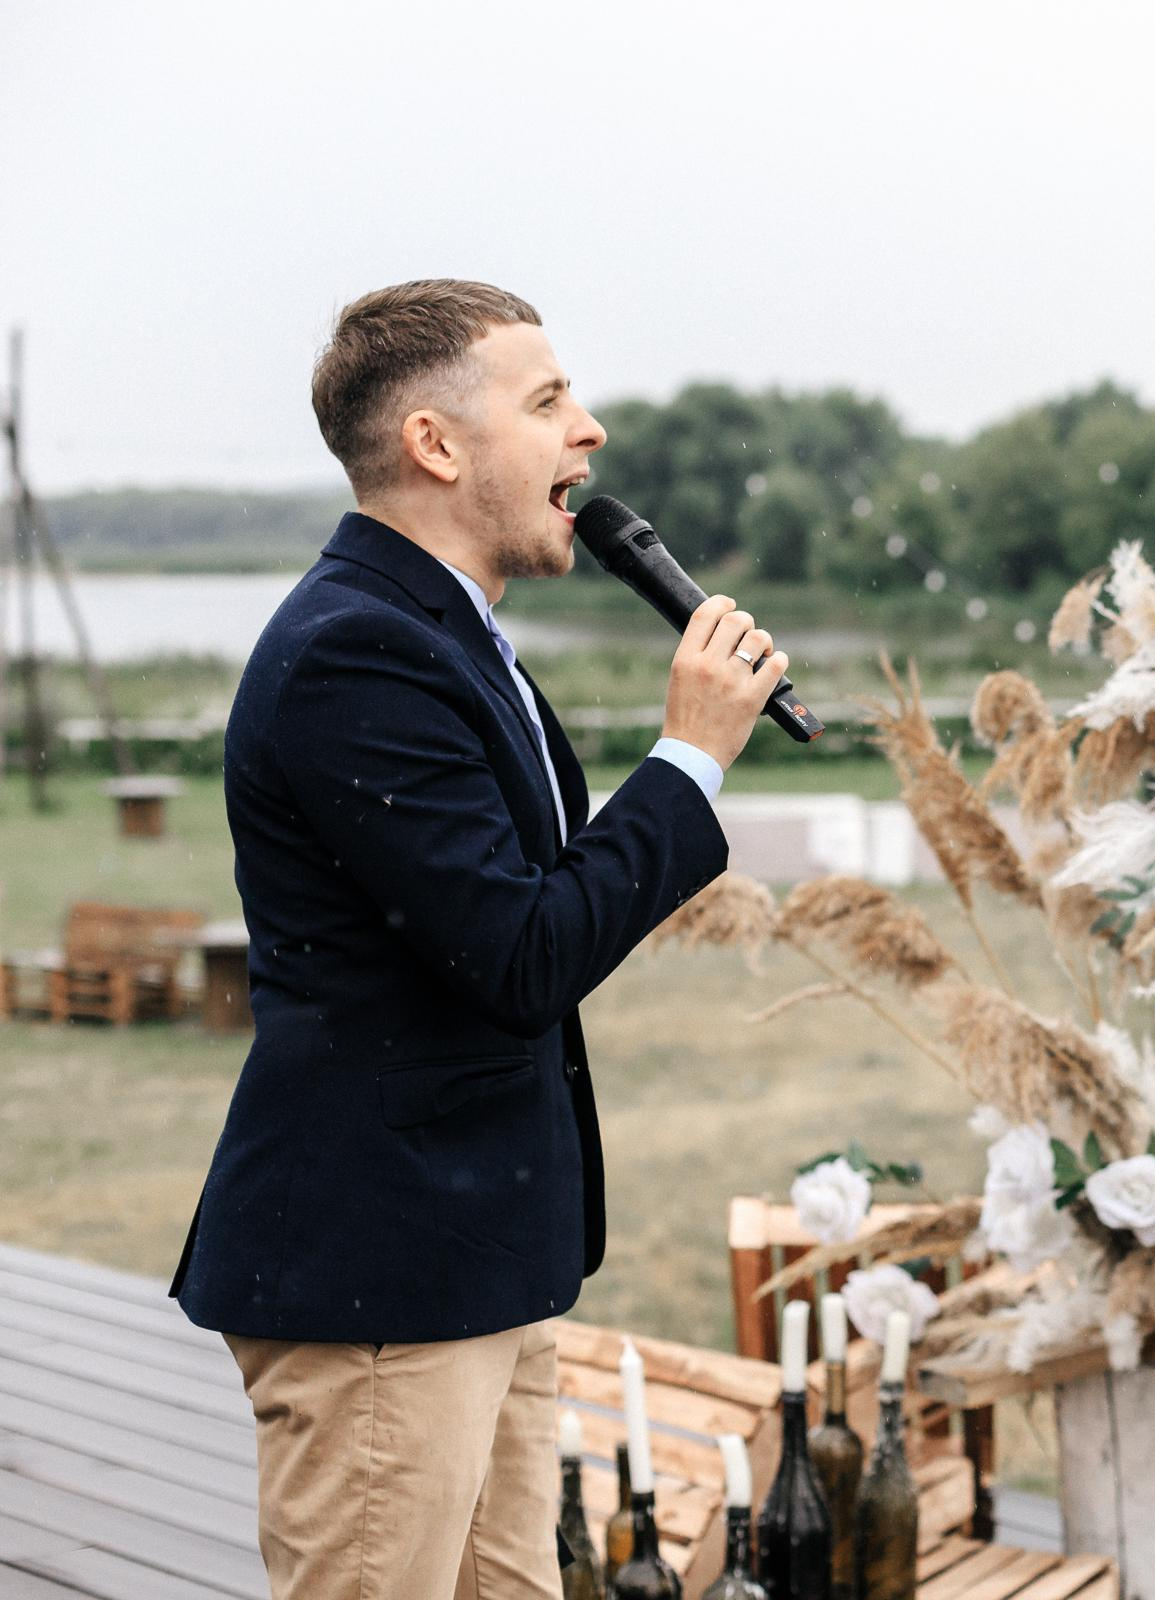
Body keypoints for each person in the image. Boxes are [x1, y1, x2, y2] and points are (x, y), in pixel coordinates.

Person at [169, 279, 790, 1598]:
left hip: (475, 1263)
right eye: (550, 400)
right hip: (378, 1285)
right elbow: (520, 957)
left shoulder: (446, 632)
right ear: (437, 447)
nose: (594, 431)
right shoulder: (356, 654)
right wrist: (686, 763)